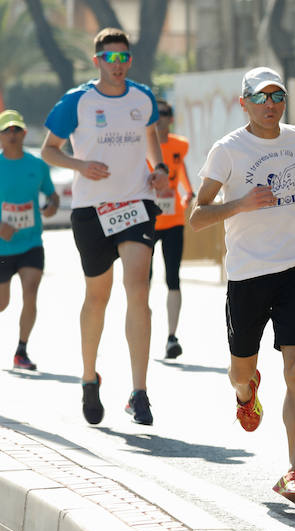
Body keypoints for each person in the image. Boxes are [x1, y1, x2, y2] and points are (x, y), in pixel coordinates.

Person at [190, 67, 295, 508]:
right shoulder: (228, 150)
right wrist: (241, 203)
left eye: (277, 96)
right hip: (247, 274)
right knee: (241, 370)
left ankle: (294, 472)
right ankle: (246, 392)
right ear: (244, 103)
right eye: (261, 98)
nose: (270, 104)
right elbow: (198, 215)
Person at [41, 28, 168, 426]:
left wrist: (159, 169)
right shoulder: (76, 102)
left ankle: (140, 391)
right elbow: (48, 149)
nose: (119, 65)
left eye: (124, 58)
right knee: (98, 296)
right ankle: (88, 378)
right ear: (97, 61)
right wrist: (81, 166)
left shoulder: (142, 97)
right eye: (110, 58)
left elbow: (151, 138)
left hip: (136, 204)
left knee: (139, 289)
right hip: (92, 210)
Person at [0, 109, 59, 371]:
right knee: (2, 303)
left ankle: (21, 350)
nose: (12, 135)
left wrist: (51, 206)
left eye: (17, 130)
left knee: (31, 291)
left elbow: (52, 194)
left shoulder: (37, 165)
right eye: (7, 131)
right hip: (2, 247)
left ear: (24, 134)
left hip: (31, 242)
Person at [147, 99, 193, 359]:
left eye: (163, 113)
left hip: (174, 220)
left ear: (170, 118)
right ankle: (143, 330)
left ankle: (172, 336)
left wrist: (188, 195)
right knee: (144, 280)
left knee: (173, 278)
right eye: (155, 114)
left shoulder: (179, 145)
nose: (159, 118)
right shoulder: (144, 146)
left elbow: (184, 175)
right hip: (149, 221)